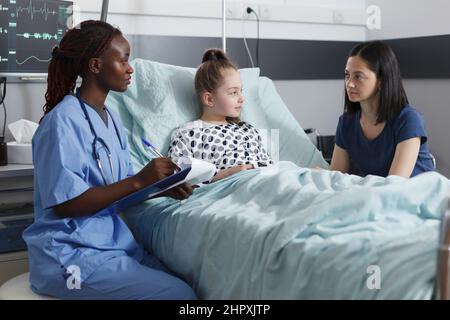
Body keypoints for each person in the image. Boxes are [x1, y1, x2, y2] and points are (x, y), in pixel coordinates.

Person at [22, 20, 197, 300]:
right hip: (70, 260)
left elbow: (118, 191)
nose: (130, 68)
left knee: (192, 281)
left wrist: (161, 186)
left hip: (111, 247)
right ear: (95, 66)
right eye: (123, 60)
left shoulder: (111, 119)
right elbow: (69, 204)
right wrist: (141, 179)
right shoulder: (61, 123)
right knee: (178, 295)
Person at [329, 41, 435, 178]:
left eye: (358, 76)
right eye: (347, 75)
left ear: (381, 80)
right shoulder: (346, 122)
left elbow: (395, 185)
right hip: (378, 195)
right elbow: (336, 176)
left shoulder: (408, 120)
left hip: (416, 196)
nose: (349, 84)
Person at [168, 48, 273, 182]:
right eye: (233, 92)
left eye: (241, 90)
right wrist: (223, 175)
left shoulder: (248, 130)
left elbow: (270, 166)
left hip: (263, 183)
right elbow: (177, 180)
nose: (242, 98)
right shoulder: (187, 134)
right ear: (209, 99)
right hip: (230, 189)